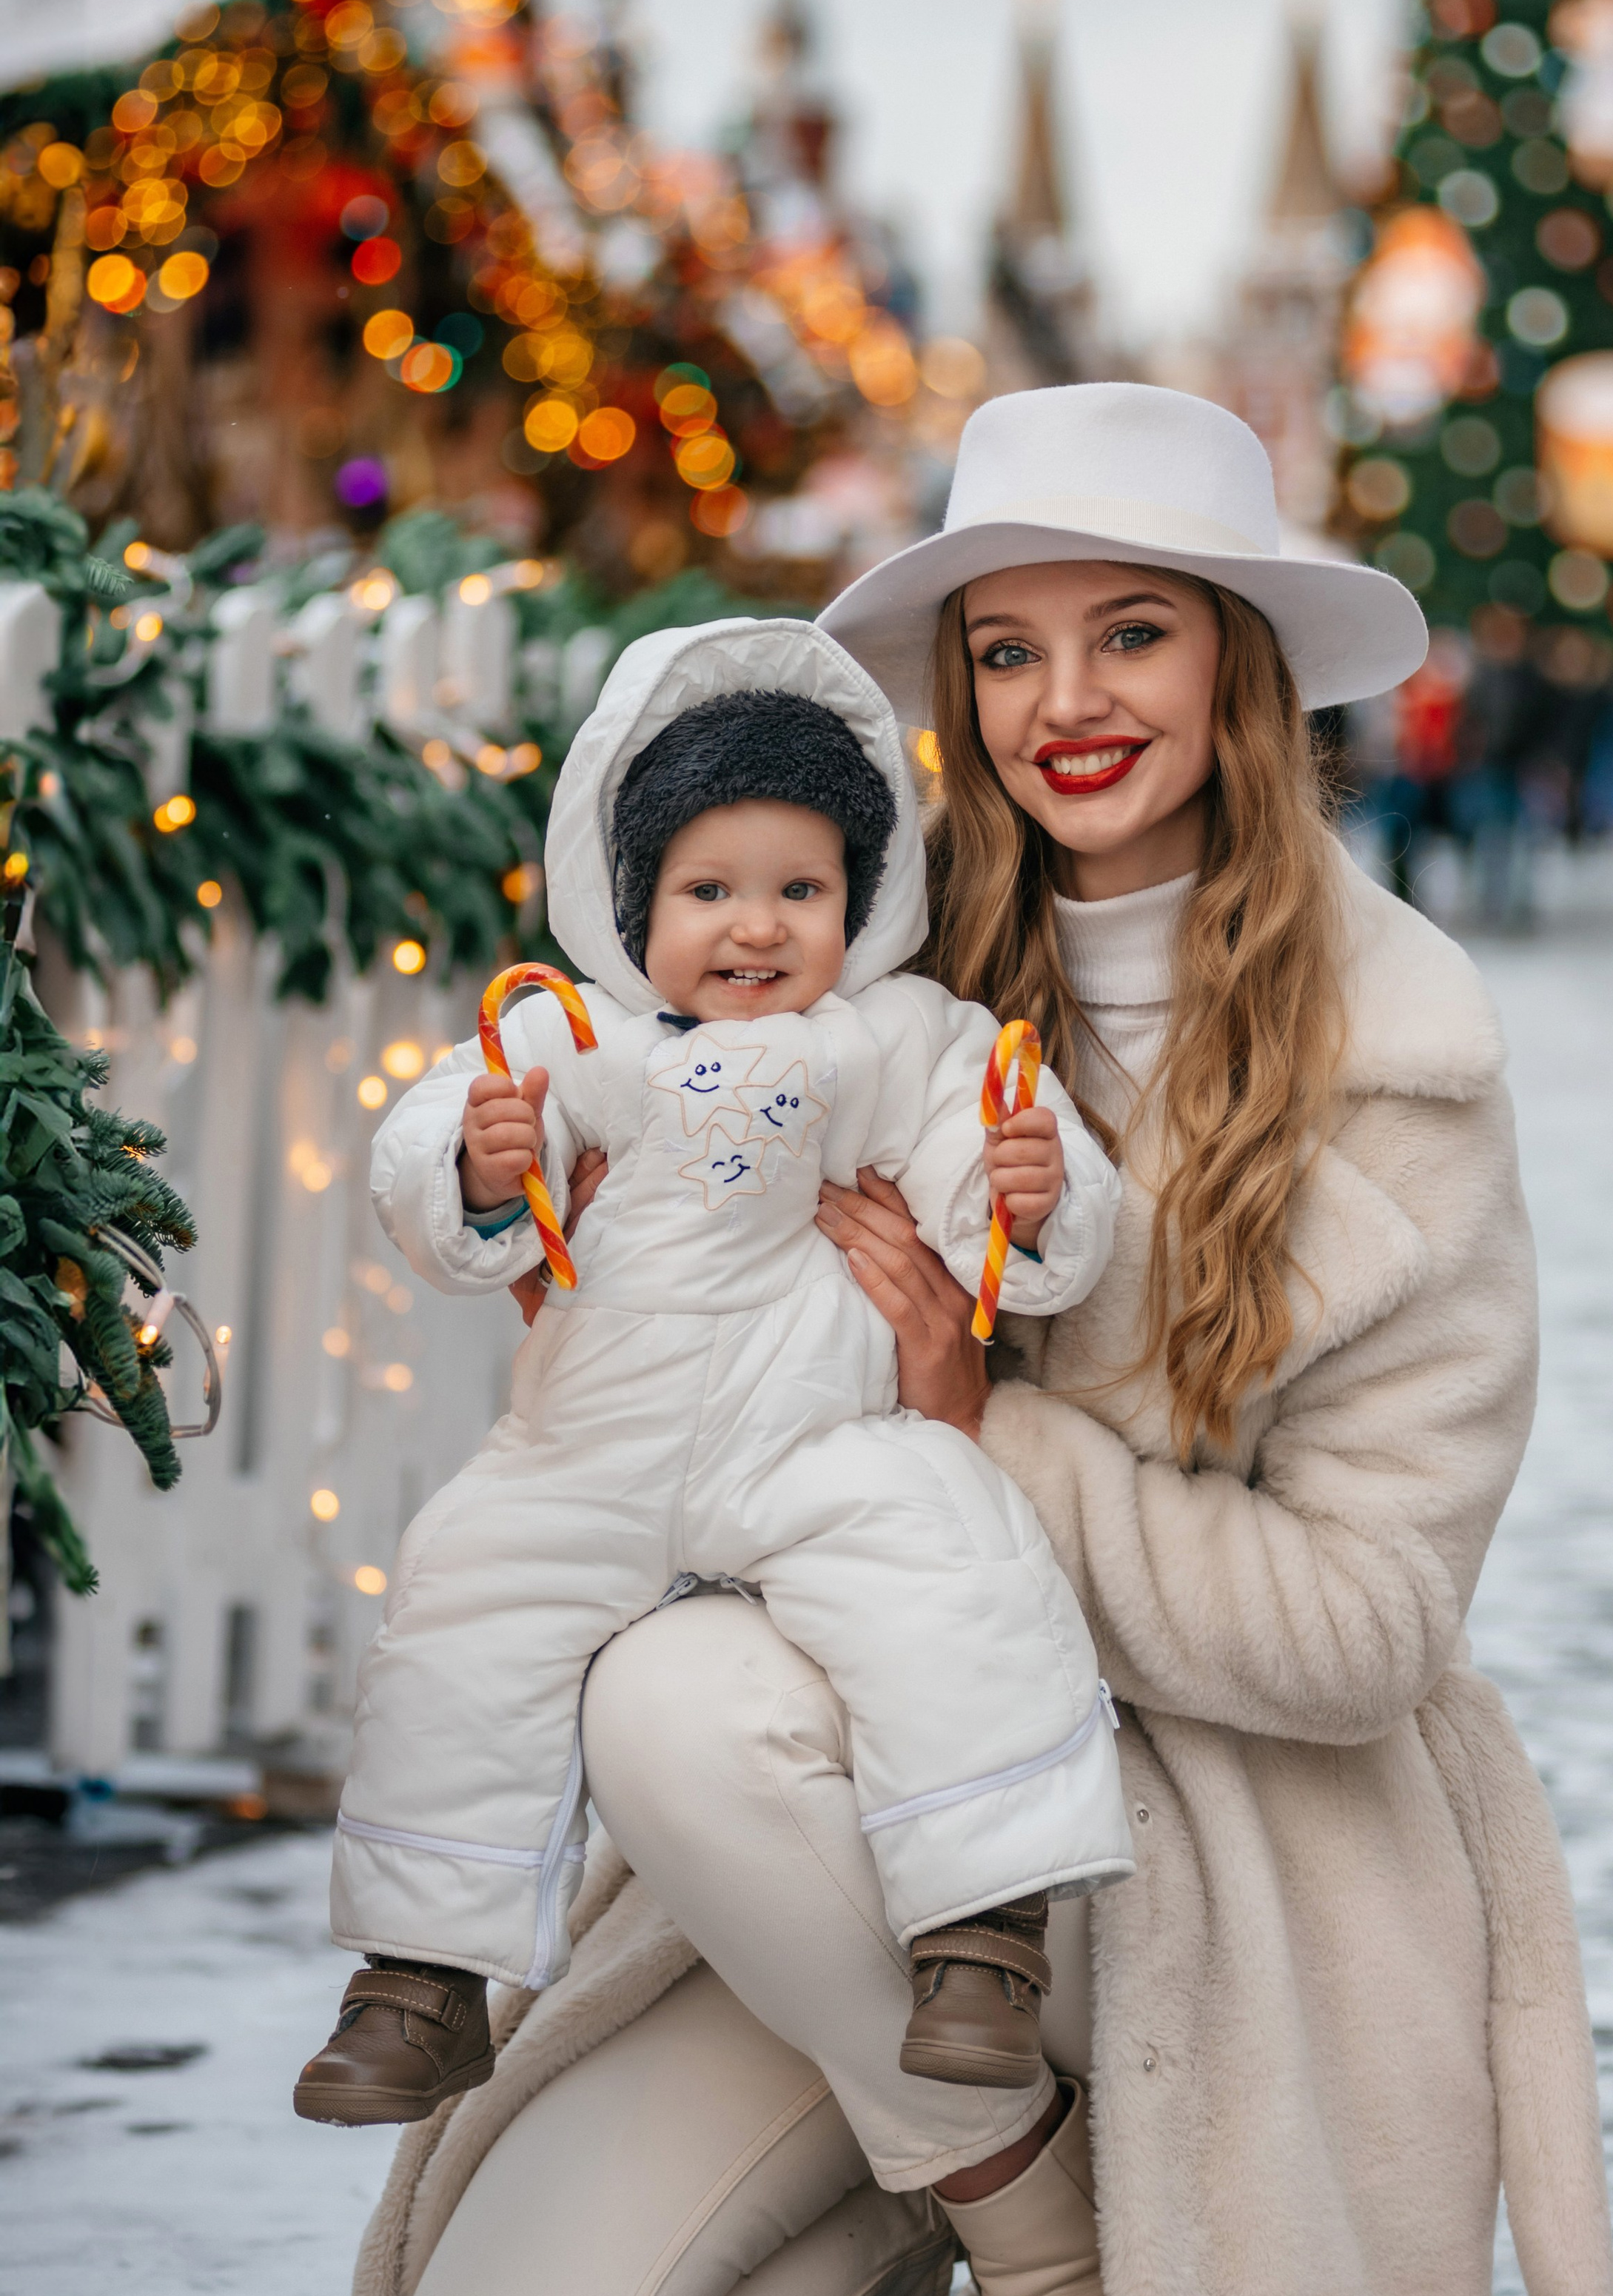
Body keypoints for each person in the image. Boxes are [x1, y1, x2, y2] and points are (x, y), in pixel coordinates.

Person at [107, 384, 1613, 2296]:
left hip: (1211, 1860)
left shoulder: (1398, 1065)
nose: (1067, 706)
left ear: (1239, 667)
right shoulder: (848, 972)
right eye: (1008, 651)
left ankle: (1088, 2282)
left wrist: (977, 1424)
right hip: (849, 1857)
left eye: (1133, 637)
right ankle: (1009, 2193)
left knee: (692, 1700)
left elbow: (1366, 1635)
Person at [292, 632, 1130, 2124]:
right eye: (707, 891)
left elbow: (975, 1154)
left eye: (799, 890)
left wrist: (1024, 1193)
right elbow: (439, 1157)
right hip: (584, 1451)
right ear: (633, 902)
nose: (755, 929)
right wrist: (486, 1170)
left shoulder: (894, 1038)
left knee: (951, 1566)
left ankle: (980, 1937)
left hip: (812, 1436)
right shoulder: (570, 1031)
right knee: (465, 1599)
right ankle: (421, 1972)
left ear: (859, 903)